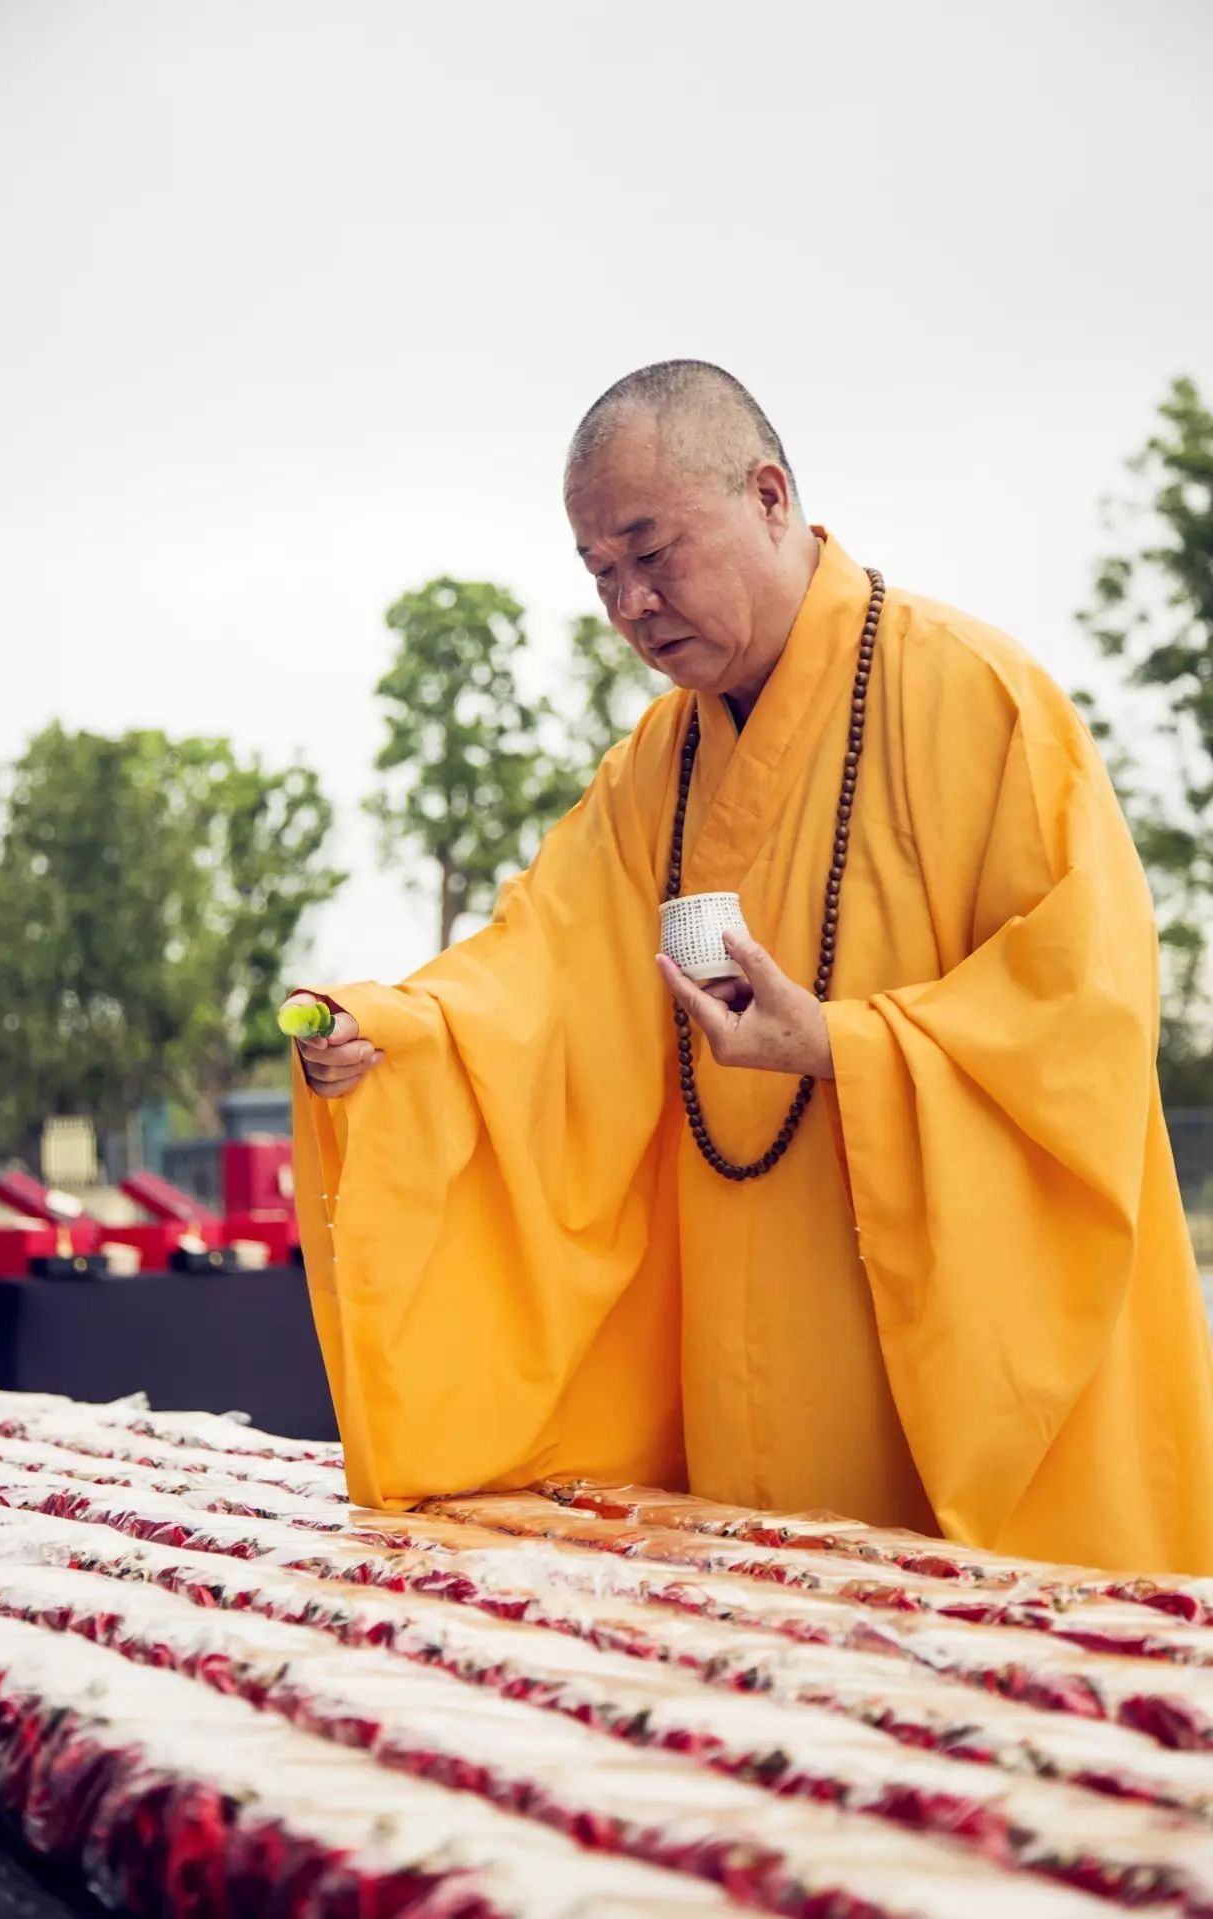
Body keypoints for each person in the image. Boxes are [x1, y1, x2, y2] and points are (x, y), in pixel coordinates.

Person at [285, 360, 1213, 1575]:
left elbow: (1079, 1017)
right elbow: (537, 975)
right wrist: (390, 1029)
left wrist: (837, 1043)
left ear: (769, 496)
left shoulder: (976, 699)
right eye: (600, 573)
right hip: (733, 1359)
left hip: (935, 1352)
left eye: (650, 549)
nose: (628, 601)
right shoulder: (654, 769)